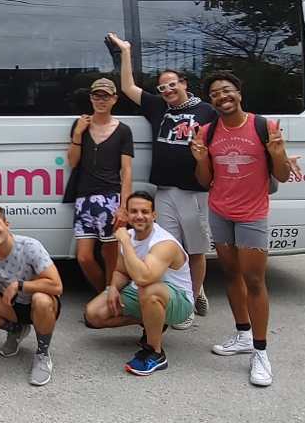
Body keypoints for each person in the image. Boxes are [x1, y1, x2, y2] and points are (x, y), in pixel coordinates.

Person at [106, 32, 216, 329]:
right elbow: (128, 87)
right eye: (162, 86)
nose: (167, 90)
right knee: (167, 247)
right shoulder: (158, 107)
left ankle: (191, 299)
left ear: (184, 84)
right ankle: (183, 290)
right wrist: (125, 52)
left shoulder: (206, 111)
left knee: (195, 249)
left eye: (172, 84)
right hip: (165, 190)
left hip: (194, 191)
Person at [190, 72, 292, 387]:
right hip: (220, 212)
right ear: (210, 101)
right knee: (231, 275)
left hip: (252, 214)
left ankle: (260, 352)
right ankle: (243, 334)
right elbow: (204, 181)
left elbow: (283, 175)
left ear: (239, 93)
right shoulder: (207, 132)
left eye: (227, 90)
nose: (222, 96)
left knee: (255, 281)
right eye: (215, 93)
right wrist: (201, 158)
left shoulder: (264, 127)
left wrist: (277, 154)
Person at [83, 191, 194, 376]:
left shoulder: (163, 243)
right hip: (143, 293)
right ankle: (154, 322)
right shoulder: (129, 235)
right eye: (134, 211)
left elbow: (144, 278)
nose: (139, 216)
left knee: (149, 289)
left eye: (145, 211)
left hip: (178, 301)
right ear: (126, 214)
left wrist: (126, 243)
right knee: (93, 314)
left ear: (154, 215)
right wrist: (112, 288)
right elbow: (121, 271)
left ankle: (155, 352)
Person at [0, 204, 63, 386]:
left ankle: (42, 354)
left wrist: (20, 285)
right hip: (13, 306)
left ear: (7, 224)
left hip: (42, 305)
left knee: (40, 299)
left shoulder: (30, 246)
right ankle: (17, 330)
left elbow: (57, 286)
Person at [63, 77, 133, 293]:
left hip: (110, 198)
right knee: (83, 257)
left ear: (114, 99)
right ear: (91, 98)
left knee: (110, 254)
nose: (101, 100)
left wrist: (124, 207)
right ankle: (103, 293)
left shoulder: (123, 130)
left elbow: (127, 171)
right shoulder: (80, 124)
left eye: (106, 96)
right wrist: (77, 134)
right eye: (96, 95)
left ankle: (110, 295)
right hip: (84, 198)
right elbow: (73, 162)